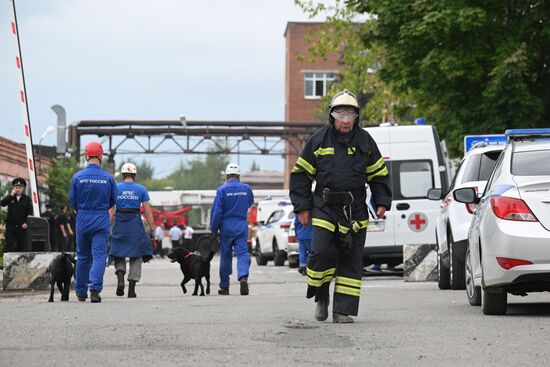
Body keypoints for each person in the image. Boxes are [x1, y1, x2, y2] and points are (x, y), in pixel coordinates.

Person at [289, 89, 392, 323]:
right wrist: (303, 207)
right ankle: (321, 296)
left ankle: (342, 310)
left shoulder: (366, 142)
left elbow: (378, 175)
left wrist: (382, 202)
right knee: (321, 253)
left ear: (356, 117)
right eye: (340, 115)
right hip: (325, 208)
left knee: (351, 260)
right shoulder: (318, 140)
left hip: (355, 210)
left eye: (350, 115)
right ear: (332, 116)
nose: (345, 121)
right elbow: (301, 175)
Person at [69, 141, 117, 303]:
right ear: (101, 156)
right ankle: (95, 289)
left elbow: (73, 201)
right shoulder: (108, 178)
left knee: (82, 256)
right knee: (98, 256)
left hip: (83, 218)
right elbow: (112, 201)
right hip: (101, 218)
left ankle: (81, 291)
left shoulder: (77, 177)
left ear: (86, 156)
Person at [109, 162, 154, 298]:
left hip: (120, 223)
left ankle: (121, 277)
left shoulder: (115, 188)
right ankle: (131, 289)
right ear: (134, 175)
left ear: (122, 175)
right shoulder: (141, 189)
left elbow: (111, 210)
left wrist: (108, 226)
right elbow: (147, 210)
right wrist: (152, 227)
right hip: (135, 223)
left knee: (118, 252)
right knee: (136, 255)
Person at [210, 162, 254, 296]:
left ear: (227, 175)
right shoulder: (246, 189)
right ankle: (243, 276)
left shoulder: (221, 190)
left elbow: (217, 212)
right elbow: (250, 202)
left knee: (226, 256)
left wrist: (214, 229)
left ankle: (224, 287)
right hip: (241, 225)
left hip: (226, 226)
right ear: (238, 175)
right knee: (242, 253)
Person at [1, 177, 33, 252]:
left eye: (20, 187)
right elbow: (2, 204)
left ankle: (21, 263)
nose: (18, 189)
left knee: (22, 247)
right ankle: (7, 263)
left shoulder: (27, 199)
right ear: (14, 188)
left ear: (23, 188)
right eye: (16, 187)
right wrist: (11, 195)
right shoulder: (10, 197)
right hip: (10, 226)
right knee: (8, 246)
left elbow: (30, 212)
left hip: (21, 227)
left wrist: (26, 222)